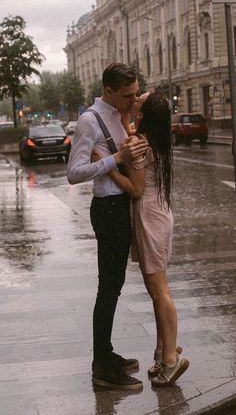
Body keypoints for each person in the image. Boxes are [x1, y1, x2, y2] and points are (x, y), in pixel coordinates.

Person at [96, 91, 190, 386]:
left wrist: (108, 166)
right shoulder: (154, 138)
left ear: (145, 112)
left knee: (159, 289)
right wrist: (126, 121)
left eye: (142, 97)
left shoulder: (137, 144)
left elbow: (135, 189)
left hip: (149, 216)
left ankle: (171, 361)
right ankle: (164, 352)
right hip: (160, 212)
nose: (137, 95)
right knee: (156, 289)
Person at [67, 62, 148, 391]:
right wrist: (116, 160)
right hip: (107, 208)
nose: (132, 99)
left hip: (121, 206)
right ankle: (102, 365)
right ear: (109, 90)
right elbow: (74, 172)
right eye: (127, 95)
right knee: (107, 288)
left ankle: (107, 352)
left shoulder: (117, 114)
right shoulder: (90, 120)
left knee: (112, 287)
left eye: (134, 93)